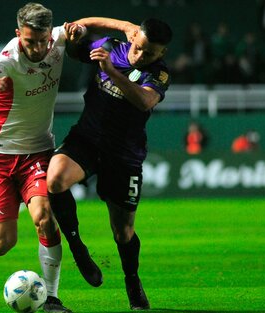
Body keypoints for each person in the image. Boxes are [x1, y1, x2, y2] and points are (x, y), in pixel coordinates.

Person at [0, 3, 136, 312]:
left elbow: (85, 21)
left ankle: (52, 299)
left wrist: (125, 26)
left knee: (44, 218)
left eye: (42, 40)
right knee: (5, 241)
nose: (38, 47)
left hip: (37, 152)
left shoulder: (57, 39)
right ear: (19, 34)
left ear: (49, 34)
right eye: (30, 41)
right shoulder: (10, 58)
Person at [47, 17, 173, 310]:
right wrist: (77, 30)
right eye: (139, 48)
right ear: (133, 37)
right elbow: (75, 49)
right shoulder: (110, 46)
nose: (141, 56)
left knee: (123, 232)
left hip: (124, 155)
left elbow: (144, 102)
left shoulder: (160, 74)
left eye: (150, 53)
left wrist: (111, 71)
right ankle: (78, 250)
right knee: (54, 180)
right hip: (87, 140)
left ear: (161, 54)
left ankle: (132, 279)